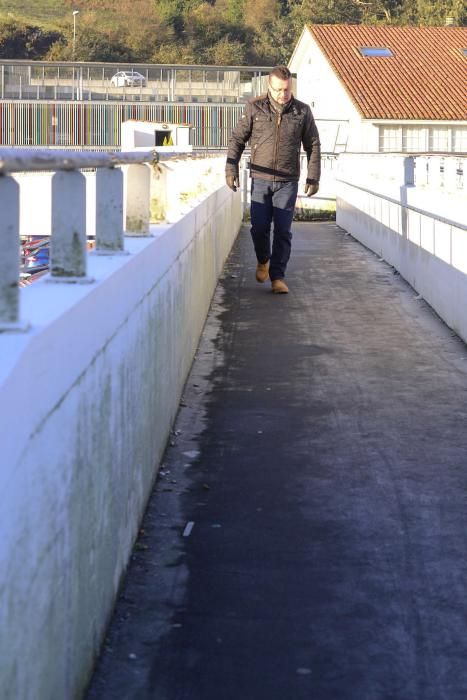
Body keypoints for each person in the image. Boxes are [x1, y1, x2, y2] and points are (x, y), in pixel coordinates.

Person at [225, 65, 321, 294]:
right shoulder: (254, 108)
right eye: (278, 90)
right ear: (270, 86)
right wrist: (231, 169)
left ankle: (278, 277)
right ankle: (263, 259)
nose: (283, 94)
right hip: (260, 178)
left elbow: (313, 145)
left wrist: (313, 176)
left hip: (288, 181)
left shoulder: (302, 112)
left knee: (283, 231)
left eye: (286, 90)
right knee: (258, 228)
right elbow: (237, 139)